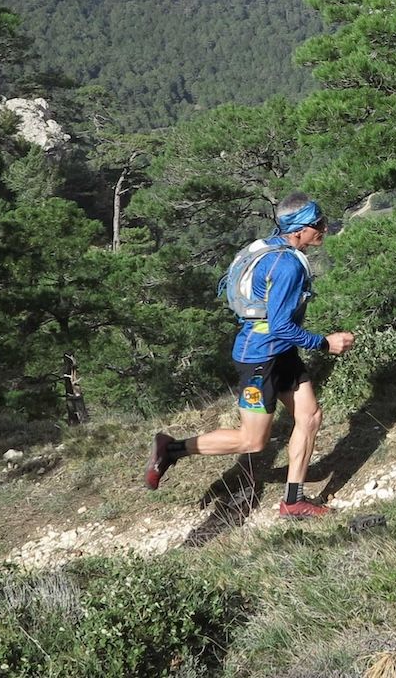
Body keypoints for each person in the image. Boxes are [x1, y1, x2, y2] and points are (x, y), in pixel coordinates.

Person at [145, 193, 355, 516]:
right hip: (261, 358)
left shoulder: (275, 247)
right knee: (253, 441)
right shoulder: (287, 266)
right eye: (317, 224)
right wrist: (325, 343)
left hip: (279, 352)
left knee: (310, 416)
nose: (323, 228)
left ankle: (294, 501)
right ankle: (171, 449)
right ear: (298, 230)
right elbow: (282, 325)